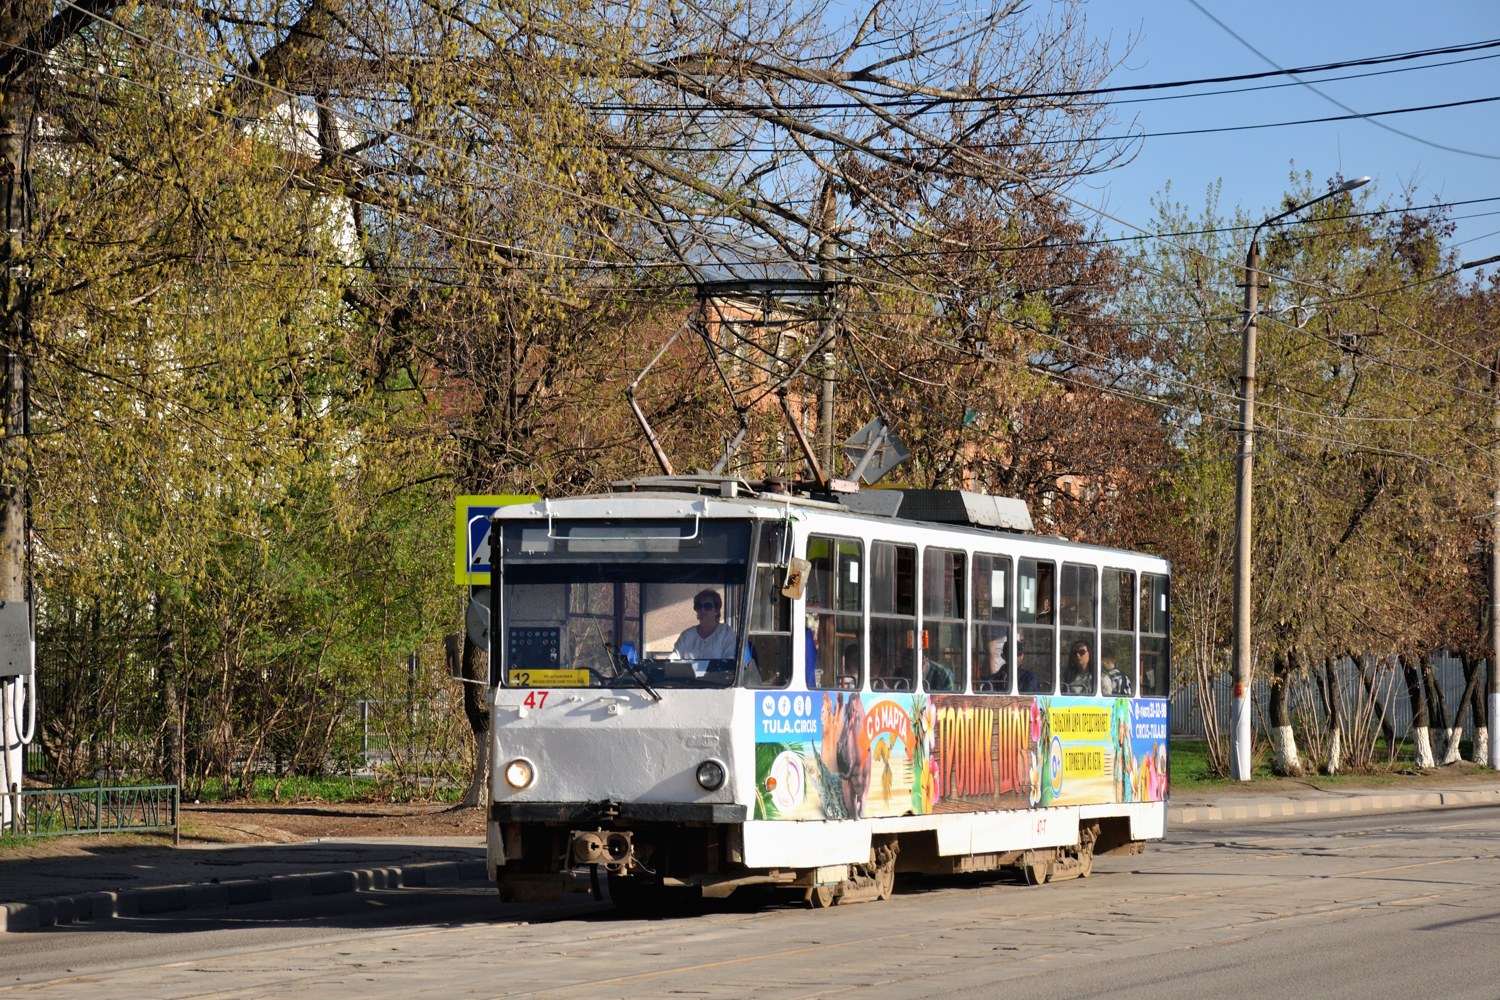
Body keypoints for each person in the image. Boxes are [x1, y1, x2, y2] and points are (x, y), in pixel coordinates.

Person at [674, 589, 737, 660]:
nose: (702, 610)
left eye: (707, 606)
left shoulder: (726, 633)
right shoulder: (686, 635)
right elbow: (673, 658)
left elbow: (729, 659)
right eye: (698, 606)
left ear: (716, 611)